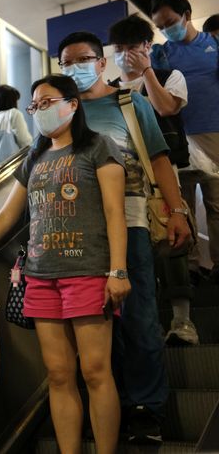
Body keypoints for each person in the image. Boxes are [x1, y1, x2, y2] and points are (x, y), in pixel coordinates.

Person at [0, 74, 129, 453]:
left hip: (89, 272)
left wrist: (119, 271)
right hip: (41, 277)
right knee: (60, 376)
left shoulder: (98, 147)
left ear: (72, 104)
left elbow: (114, 213)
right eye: (35, 106)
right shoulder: (35, 156)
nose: (39, 111)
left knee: (95, 372)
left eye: (47, 102)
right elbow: (8, 216)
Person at [58, 30, 192, 443]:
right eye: (66, 63)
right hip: (78, 232)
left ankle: (146, 407)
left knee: (139, 317)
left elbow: (157, 158)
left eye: (83, 59)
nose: (74, 68)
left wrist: (178, 211)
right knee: (93, 323)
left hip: (131, 224)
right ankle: (109, 405)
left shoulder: (128, 103)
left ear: (101, 62)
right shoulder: (64, 112)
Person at [107, 14, 198, 346]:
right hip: (125, 180)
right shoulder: (109, 90)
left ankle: (183, 321)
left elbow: (166, 109)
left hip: (162, 171)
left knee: (173, 244)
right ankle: (150, 326)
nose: (125, 55)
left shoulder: (168, 76)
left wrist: (146, 71)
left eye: (132, 47)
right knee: (138, 252)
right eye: (120, 48)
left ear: (147, 46)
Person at [151, 0, 219, 283]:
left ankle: (217, 265)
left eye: (170, 22)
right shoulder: (162, 54)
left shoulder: (213, 45)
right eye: (161, 26)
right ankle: (190, 269)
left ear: (187, 15)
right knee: (183, 206)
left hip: (214, 134)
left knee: (217, 204)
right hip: (178, 140)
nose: (167, 30)